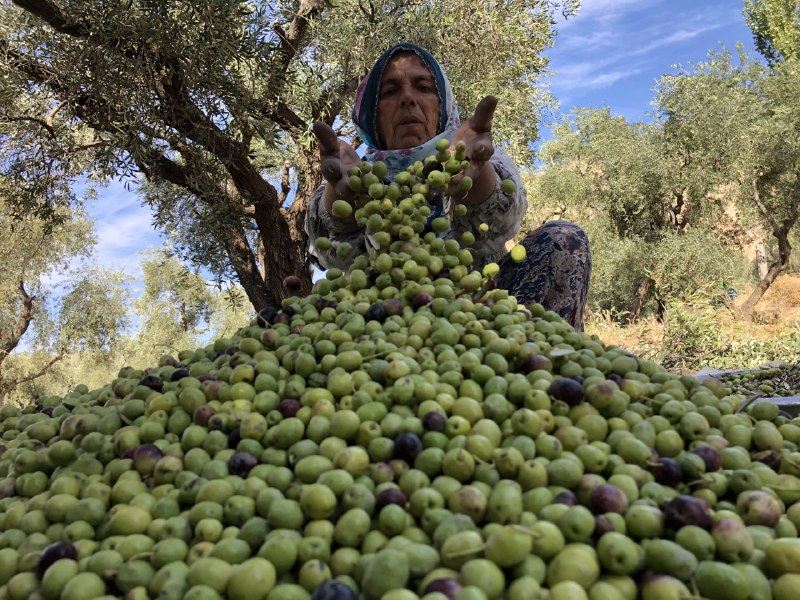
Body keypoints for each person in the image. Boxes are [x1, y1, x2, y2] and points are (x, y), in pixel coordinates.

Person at [305, 42, 591, 330]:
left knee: (563, 239)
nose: (407, 98)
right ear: (371, 114)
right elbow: (331, 253)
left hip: (485, 312)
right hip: (385, 319)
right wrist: (345, 199)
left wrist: (474, 178)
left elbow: (502, 221)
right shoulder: (355, 169)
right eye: (390, 92)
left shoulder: (473, 153)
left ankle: (537, 359)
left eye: (424, 87)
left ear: (442, 104)